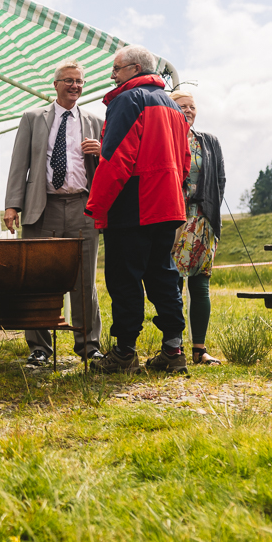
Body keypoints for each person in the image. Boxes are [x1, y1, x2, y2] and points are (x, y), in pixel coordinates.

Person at [87, 45, 191, 374]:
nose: (112, 76)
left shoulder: (127, 100)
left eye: (116, 69)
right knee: (163, 275)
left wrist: (97, 206)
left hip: (133, 205)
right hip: (167, 205)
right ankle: (174, 352)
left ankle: (124, 353)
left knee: (124, 279)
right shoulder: (173, 108)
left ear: (133, 68)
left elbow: (115, 158)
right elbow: (185, 161)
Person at [2, 59, 104, 365]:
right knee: (37, 278)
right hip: (41, 207)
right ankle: (39, 348)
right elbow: (20, 164)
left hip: (82, 208)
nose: (75, 86)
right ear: (56, 84)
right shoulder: (33, 118)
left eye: (80, 82)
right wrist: (12, 205)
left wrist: (100, 152)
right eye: (69, 80)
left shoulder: (95, 122)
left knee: (84, 280)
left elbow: (107, 167)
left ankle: (89, 345)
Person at [169, 90, 226, 365]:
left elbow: (220, 178)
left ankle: (199, 350)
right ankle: (173, 346)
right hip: (174, 219)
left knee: (200, 285)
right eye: (182, 106)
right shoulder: (166, 138)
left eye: (192, 106)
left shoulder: (210, 141)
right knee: (172, 284)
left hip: (203, 221)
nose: (189, 110)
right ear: (171, 108)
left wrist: (208, 206)